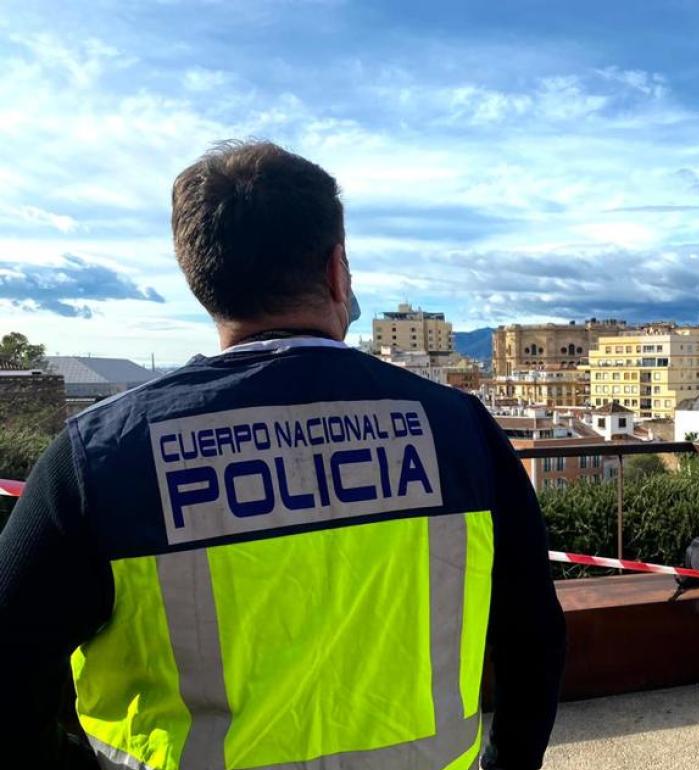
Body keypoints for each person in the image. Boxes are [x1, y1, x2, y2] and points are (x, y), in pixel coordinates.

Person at [0, 140, 566, 770]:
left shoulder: (100, 458)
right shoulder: (459, 430)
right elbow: (533, 637)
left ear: (201, 280)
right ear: (335, 271)